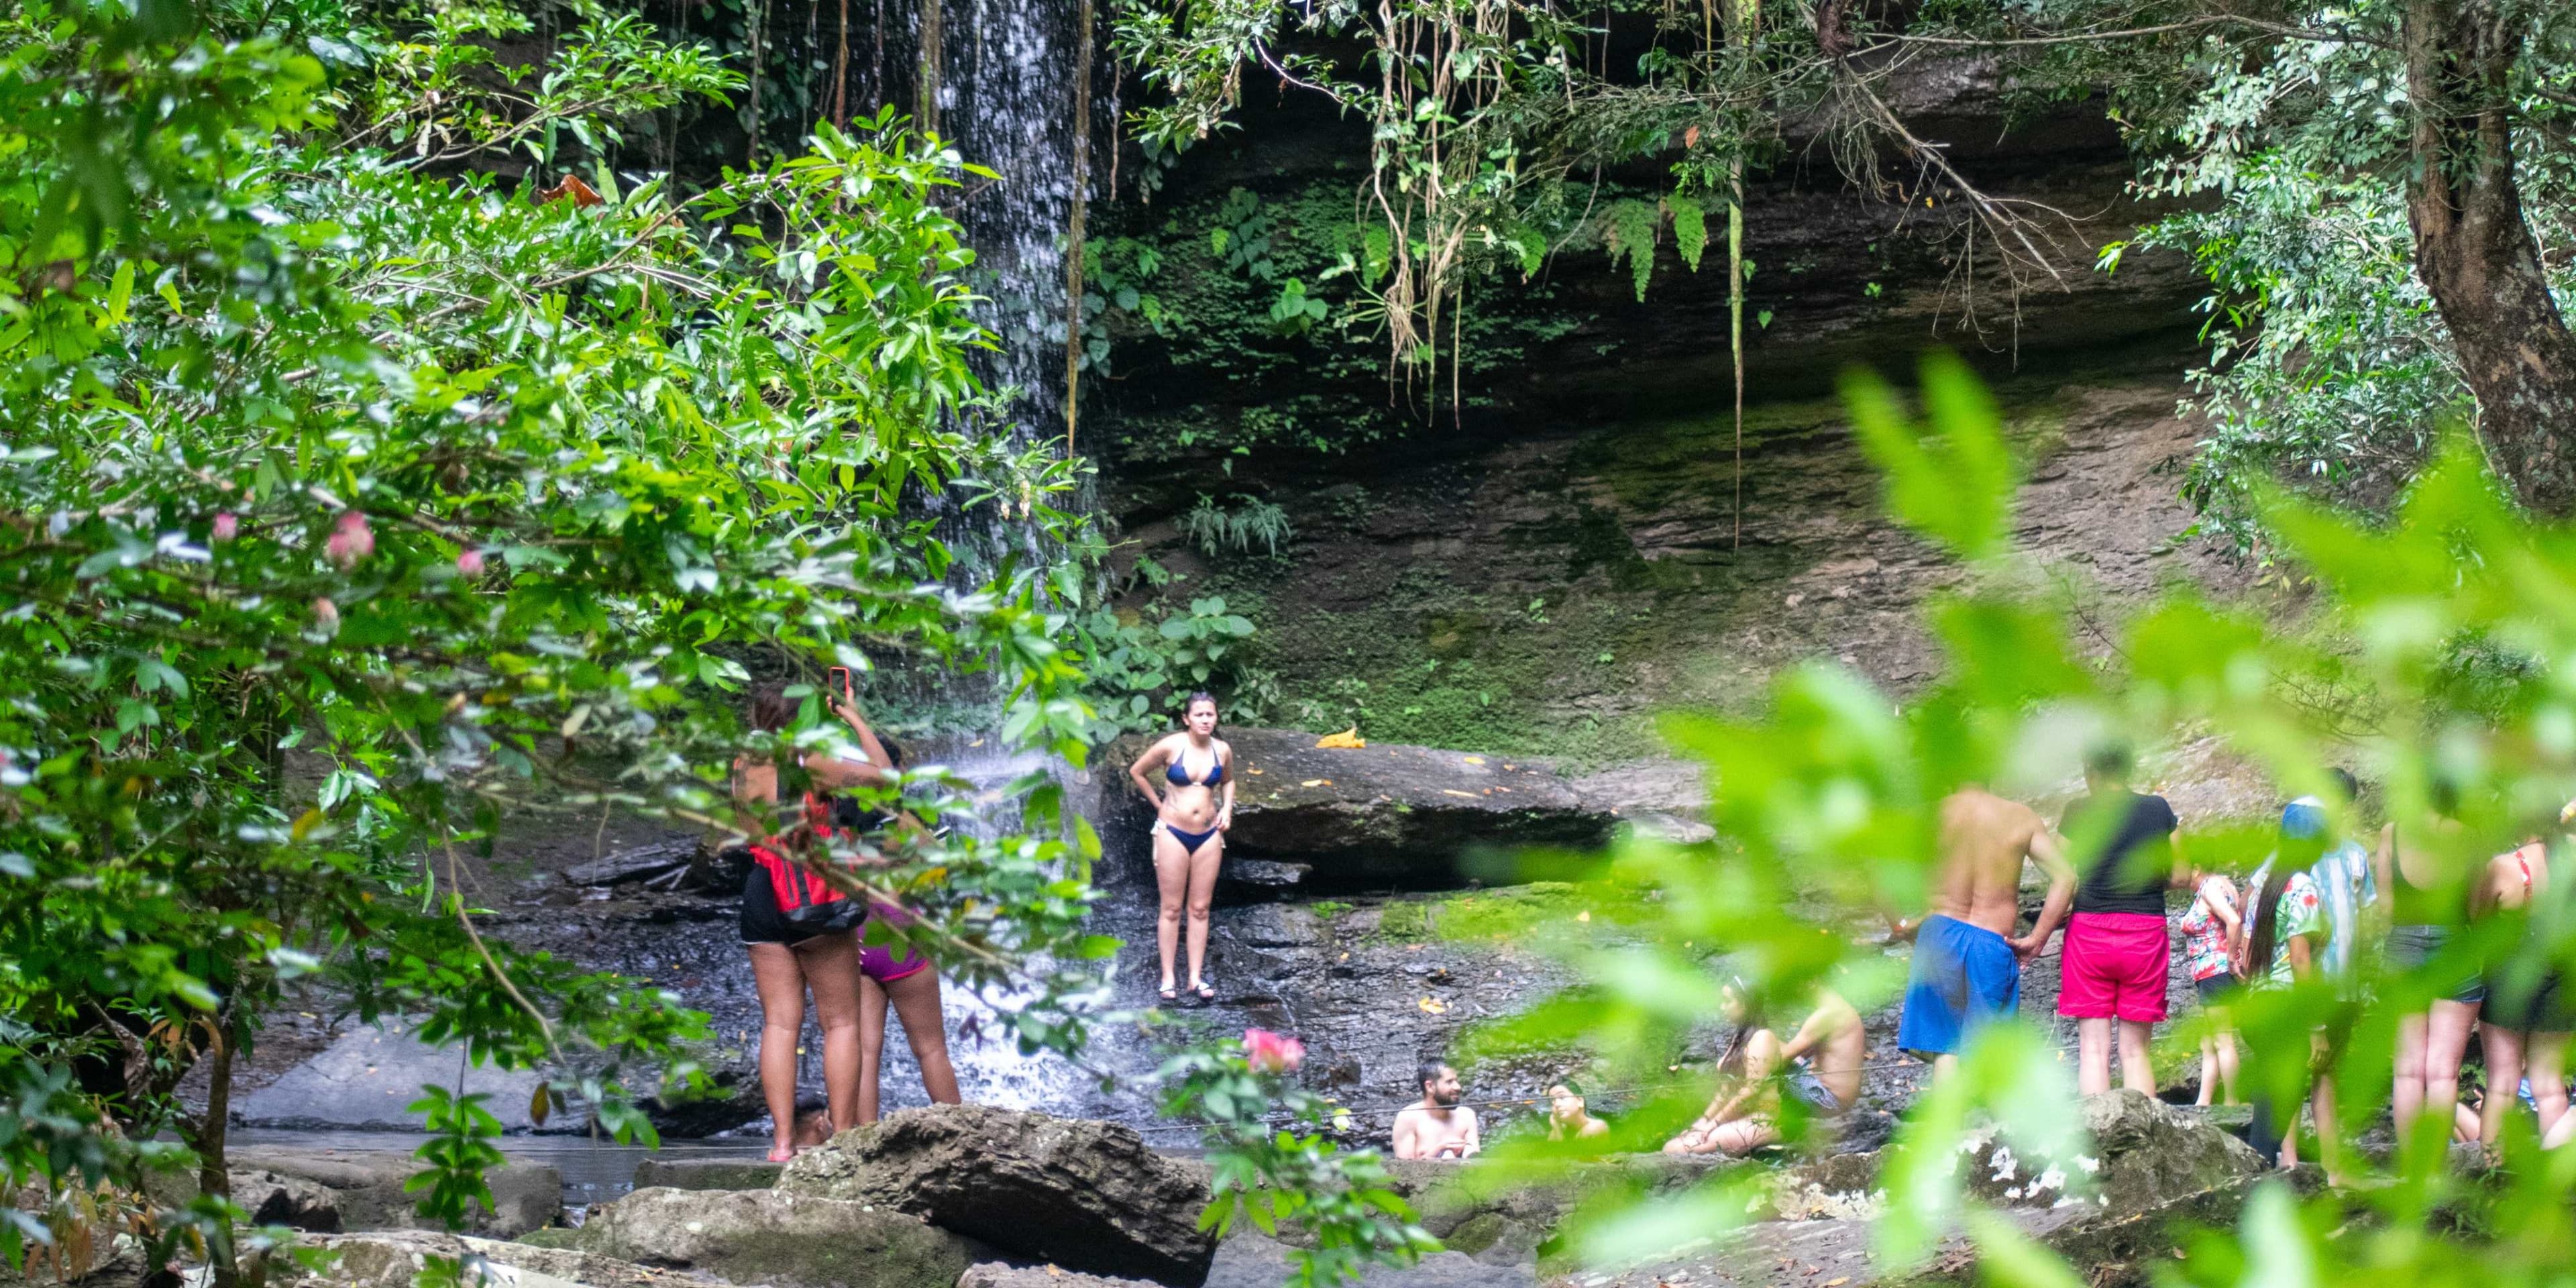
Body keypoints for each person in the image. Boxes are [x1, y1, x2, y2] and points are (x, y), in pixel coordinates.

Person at [733, 680, 889, 1162]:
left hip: (762, 889)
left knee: (780, 1024)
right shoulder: (810, 762)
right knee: (841, 1023)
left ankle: (783, 1144)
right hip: (813, 892)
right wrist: (854, 718)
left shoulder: (743, 764)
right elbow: (886, 778)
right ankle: (841, 1140)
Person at [1892, 788, 2075, 1080]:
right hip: (1991, 940)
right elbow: (2065, 878)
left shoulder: (1929, 815)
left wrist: (1901, 923)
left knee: (1946, 1050)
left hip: (1940, 933)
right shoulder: (2021, 817)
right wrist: (2037, 940)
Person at [2051, 745, 2184, 1096]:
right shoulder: (2158, 809)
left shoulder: (2078, 810)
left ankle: (2096, 1132)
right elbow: (2182, 874)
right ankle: (2142, 1132)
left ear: (2091, 771)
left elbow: (2056, 869)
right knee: (2136, 1052)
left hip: (2089, 933)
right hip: (2145, 933)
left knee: (2093, 1051)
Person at [845, 733, 963, 1126]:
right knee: (931, 1049)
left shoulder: (837, 822)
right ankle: (961, 1135)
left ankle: (862, 1139)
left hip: (855, 936)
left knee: (865, 1052)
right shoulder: (899, 822)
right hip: (899, 934)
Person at [2376, 799, 2483, 1161]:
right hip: (2455, 947)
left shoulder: (2391, 833)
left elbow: (2386, 908)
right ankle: (2435, 1170)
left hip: (2402, 948)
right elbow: (2474, 909)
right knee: (2443, 1073)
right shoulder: (2468, 836)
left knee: (2407, 1071)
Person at [1665, 981, 1864, 1155]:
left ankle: (1762, 1116)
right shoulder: (1837, 1010)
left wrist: (1748, 1062)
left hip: (1829, 1100)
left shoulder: (1829, 1014)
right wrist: (1705, 1119)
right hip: (1823, 1090)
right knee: (1763, 1052)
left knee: (1766, 1052)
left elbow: (1779, 1061)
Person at [1126, 693, 1235, 1003]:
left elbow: (1228, 781)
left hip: (1208, 834)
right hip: (1172, 832)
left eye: (1210, 715)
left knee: (1200, 909)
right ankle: (1168, 978)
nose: (1205, 720)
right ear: (1187, 719)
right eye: (1199, 715)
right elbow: (1137, 772)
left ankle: (1195, 978)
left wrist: (1227, 809)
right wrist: (1159, 805)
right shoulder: (1171, 746)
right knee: (1172, 908)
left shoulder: (1222, 749)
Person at [2239, 810, 2329, 1171]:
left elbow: (2247, 956)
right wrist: (2316, 1028)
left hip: (2258, 1005)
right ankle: (2256, 1178)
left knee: (2269, 1102)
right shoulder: (2302, 887)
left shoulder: (2265, 885)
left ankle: (2255, 1173)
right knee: (2279, 1106)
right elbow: (2300, 960)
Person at [2476, 826, 2571, 1144]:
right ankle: (2553, 1169)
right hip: (2558, 981)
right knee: (2550, 1086)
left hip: (2507, 979)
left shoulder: (2505, 867)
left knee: (2501, 1085)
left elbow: (2479, 924)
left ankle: (2491, 1165)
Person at [2176, 856, 2243, 1106]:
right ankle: (2203, 1102)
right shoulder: (2224, 884)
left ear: (2196, 867)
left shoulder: (2209, 889)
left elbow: (2234, 920)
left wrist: (2231, 957)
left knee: (2222, 1039)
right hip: (2214, 974)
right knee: (2209, 1041)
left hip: (2216, 972)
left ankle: (2233, 1102)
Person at [1393, 1059, 1480, 1160]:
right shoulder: (1408, 1117)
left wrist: (1469, 1152)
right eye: (1449, 1082)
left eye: (1457, 1081)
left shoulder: (1467, 1115)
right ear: (1430, 1087)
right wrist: (1439, 1150)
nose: (1458, 1087)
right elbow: (1403, 1167)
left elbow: (1475, 1158)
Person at [1544, 1081, 1610, 1143]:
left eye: (1562, 1097)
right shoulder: (1561, 1128)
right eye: (1552, 1101)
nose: (1557, 1104)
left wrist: (1558, 1130)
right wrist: (1557, 1128)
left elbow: (1564, 1151)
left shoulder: (1595, 1127)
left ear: (1580, 1101)